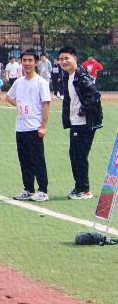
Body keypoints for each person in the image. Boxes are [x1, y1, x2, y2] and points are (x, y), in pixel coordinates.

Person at [58, 46, 104, 200]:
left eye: (67, 58)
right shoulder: (69, 76)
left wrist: (83, 110)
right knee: (75, 156)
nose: (64, 61)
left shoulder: (81, 77)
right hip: (76, 123)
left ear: (75, 59)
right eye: (61, 59)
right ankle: (80, 187)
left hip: (84, 123)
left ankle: (84, 190)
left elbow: (95, 95)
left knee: (79, 156)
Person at [6, 50, 52, 202]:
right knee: (24, 160)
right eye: (24, 60)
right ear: (21, 62)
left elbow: (46, 105)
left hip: (34, 127)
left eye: (30, 60)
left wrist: (43, 126)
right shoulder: (19, 82)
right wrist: (20, 105)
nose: (27, 63)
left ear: (36, 62)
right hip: (20, 127)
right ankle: (28, 189)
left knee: (37, 159)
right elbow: (8, 97)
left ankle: (43, 190)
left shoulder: (41, 82)